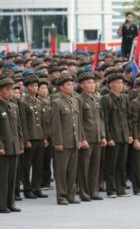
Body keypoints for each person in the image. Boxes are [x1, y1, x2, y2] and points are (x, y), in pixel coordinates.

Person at [51, 74, 83, 205]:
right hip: (63, 142)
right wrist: (58, 142)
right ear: (61, 87)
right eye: (68, 85)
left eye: (72, 84)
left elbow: (78, 122)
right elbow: (56, 124)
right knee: (61, 171)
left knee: (72, 171)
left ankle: (71, 194)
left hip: (74, 141)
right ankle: (62, 196)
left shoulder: (75, 100)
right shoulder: (56, 102)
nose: (72, 86)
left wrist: (80, 139)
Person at [101, 69, 133, 198]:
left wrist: (130, 134)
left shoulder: (125, 98)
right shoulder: (106, 99)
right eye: (118, 83)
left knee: (121, 164)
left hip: (124, 136)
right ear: (110, 85)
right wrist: (108, 137)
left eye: (122, 83)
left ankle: (121, 188)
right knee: (111, 165)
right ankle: (111, 189)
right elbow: (105, 120)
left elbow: (129, 118)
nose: (121, 85)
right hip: (113, 137)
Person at [76, 71, 106, 201]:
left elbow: (101, 119)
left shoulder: (96, 99)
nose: (92, 85)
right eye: (88, 83)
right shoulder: (79, 99)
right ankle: (84, 192)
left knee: (95, 167)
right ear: (82, 85)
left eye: (93, 82)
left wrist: (103, 136)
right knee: (84, 167)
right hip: (87, 138)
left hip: (97, 137)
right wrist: (82, 138)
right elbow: (79, 121)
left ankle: (94, 191)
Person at [19, 71, 48, 199]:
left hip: (40, 137)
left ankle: (37, 187)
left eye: (36, 86)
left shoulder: (39, 102)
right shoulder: (23, 102)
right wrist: (26, 139)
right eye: (32, 86)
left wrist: (45, 137)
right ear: (27, 87)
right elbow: (23, 123)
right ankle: (27, 188)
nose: (35, 88)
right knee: (27, 165)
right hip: (30, 138)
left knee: (38, 164)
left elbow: (42, 121)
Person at [0, 77, 23, 213]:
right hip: (3, 148)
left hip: (14, 146)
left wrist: (20, 144)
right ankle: (2, 205)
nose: (10, 92)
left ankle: (10, 203)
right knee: (2, 178)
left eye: (12, 90)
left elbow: (19, 128)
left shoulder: (14, 106)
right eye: (7, 90)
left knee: (12, 178)